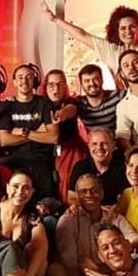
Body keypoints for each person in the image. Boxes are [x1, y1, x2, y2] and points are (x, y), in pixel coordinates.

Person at [41, 1, 138, 82]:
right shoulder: (110, 49)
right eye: (123, 28)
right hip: (126, 103)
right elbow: (82, 35)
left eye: (132, 26)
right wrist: (55, 19)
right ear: (116, 31)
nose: (128, 31)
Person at [0, 64, 59, 199]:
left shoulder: (44, 103)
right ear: (14, 82)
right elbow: (4, 140)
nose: (24, 81)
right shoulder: (7, 106)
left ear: (34, 81)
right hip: (13, 161)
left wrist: (24, 132)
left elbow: (53, 137)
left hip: (41, 160)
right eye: (20, 77)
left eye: (29, 77)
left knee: (46, 203)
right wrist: (37, 132)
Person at [0, 170, 49, 276]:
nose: (20, 192)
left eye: (26, 188)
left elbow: (41, 250)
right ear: (7, 187)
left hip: (17, 274)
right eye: (15, 186)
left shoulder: (32, 219)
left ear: (32, 192)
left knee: (41, 260)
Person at [43, 69, 88, 202]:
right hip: (46, 149)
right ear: (45, 86)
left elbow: (71, 109)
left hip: (70, 149)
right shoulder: (40, 103)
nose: (56, 89)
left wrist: (61, 115)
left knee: (67, 179)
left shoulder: (70, 101)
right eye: (51, 85)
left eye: (60, 84)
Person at [67, 127, 128, 207]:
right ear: (88, 146)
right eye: (94, 144)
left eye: (104, 143)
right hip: (85, 211)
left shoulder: (124, 168)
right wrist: (92, 211)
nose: (99, 147)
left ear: (113, 145)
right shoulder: (80, 167)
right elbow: (71, 198)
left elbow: (124, 202)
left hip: (114, 213)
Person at [76, 64, 124, 133]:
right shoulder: (79, 103)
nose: (92, 83)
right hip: (94, 139)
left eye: (95, 79)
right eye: (87, 81)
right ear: (81, 84)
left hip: (117, 138)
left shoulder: (117, 96)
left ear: (102, 80)